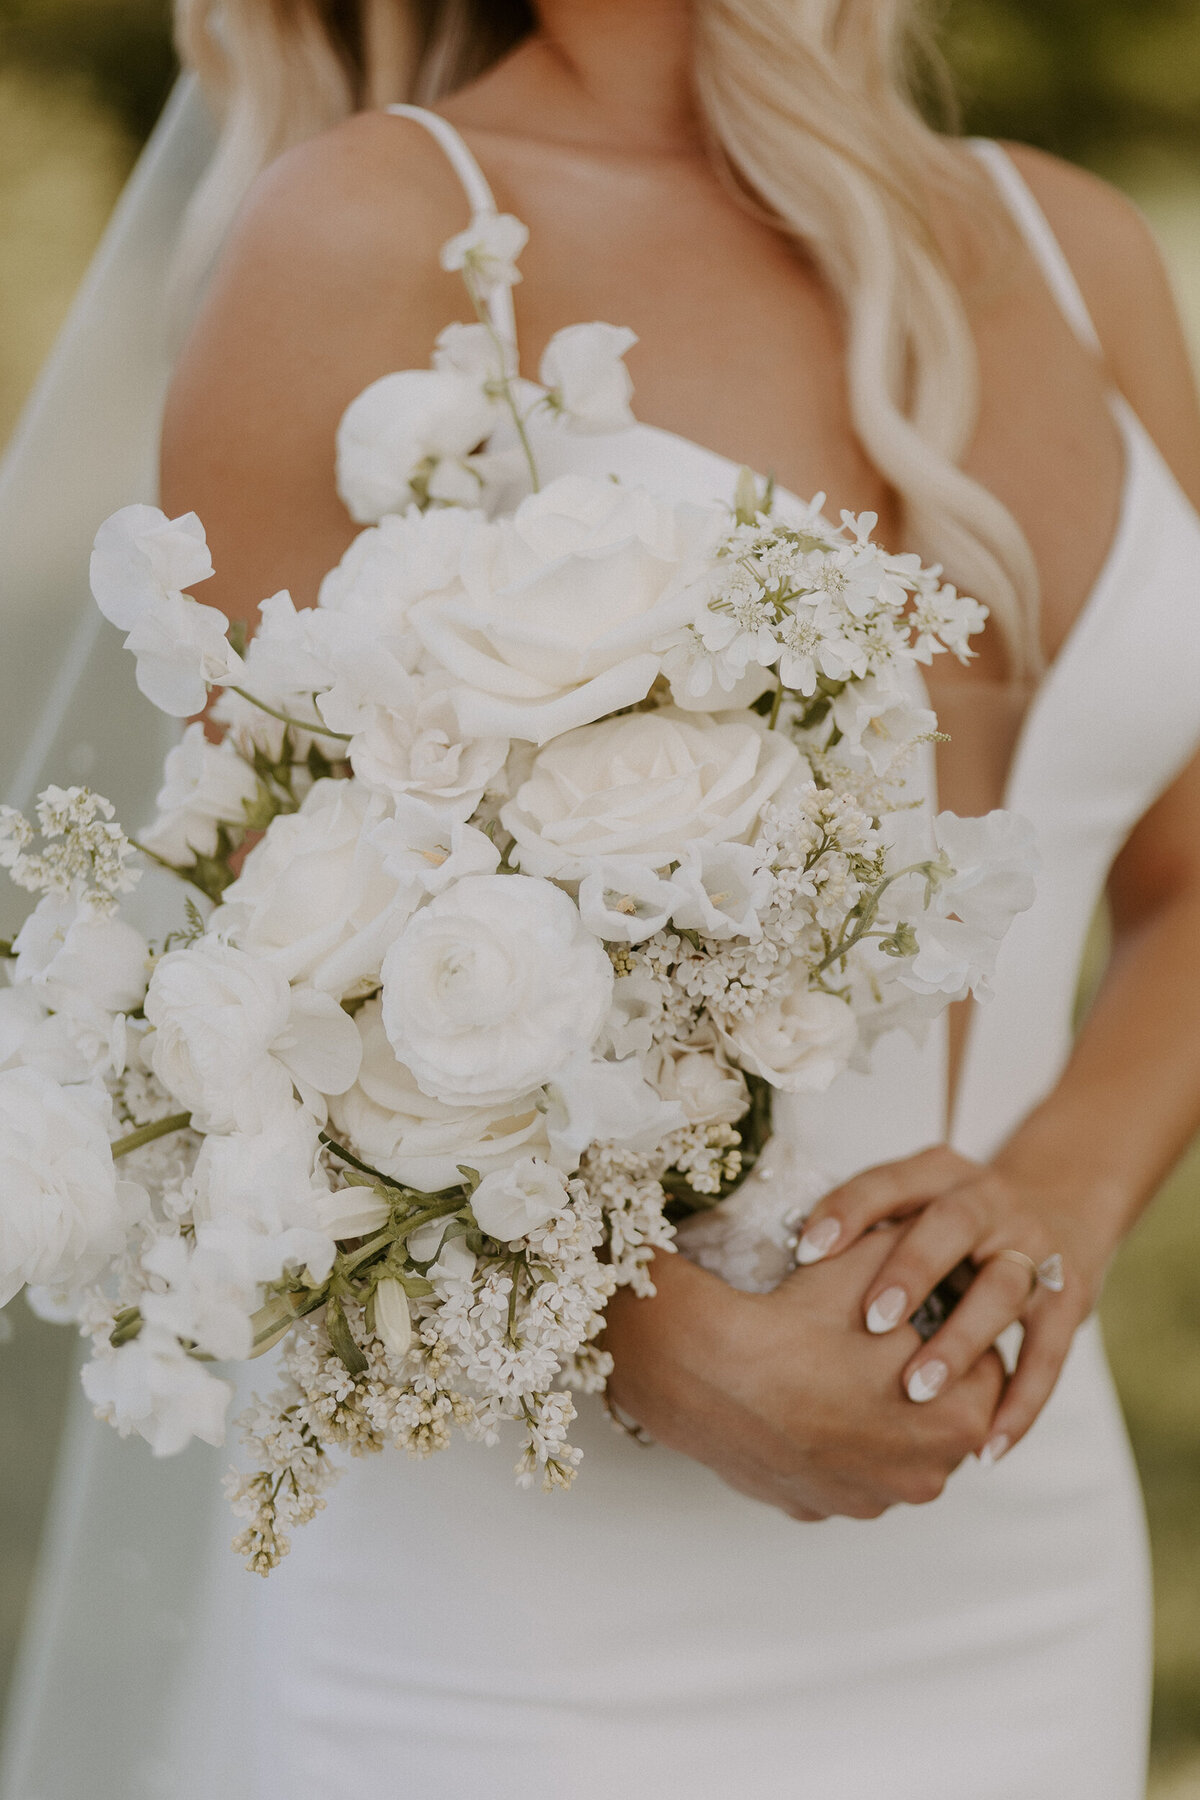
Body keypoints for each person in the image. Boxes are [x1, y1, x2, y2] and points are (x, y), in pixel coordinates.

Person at [8, 2, 1200, 1795]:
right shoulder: (368, 232)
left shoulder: (1077, 249)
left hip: (1012, 1548)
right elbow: (267, 981)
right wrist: (668, 1347)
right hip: (508, 1615)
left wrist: (1054, 1201)